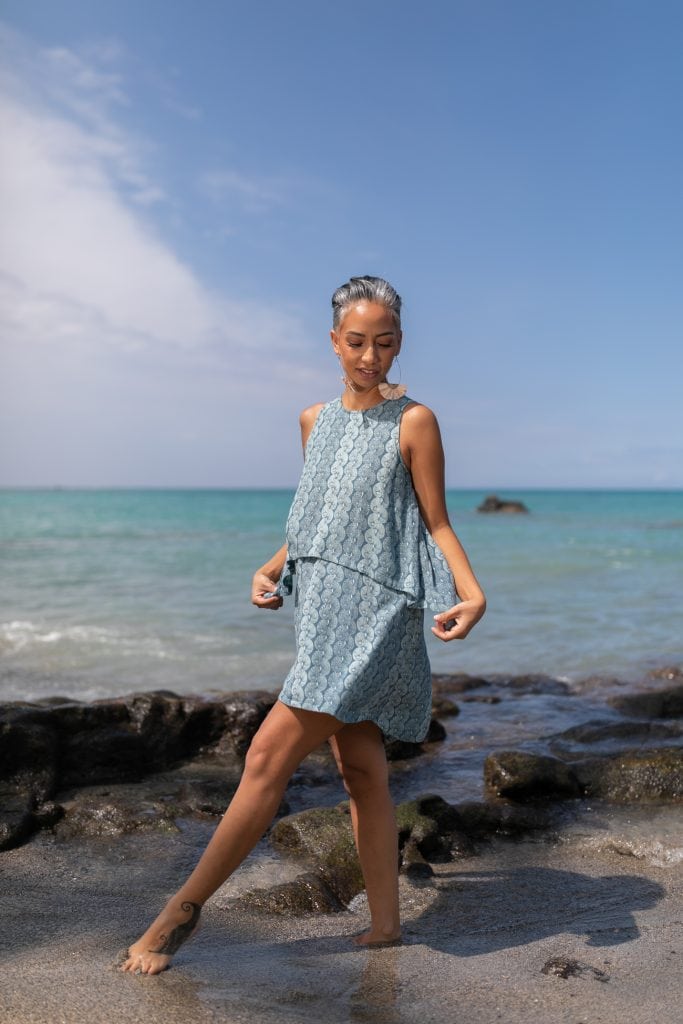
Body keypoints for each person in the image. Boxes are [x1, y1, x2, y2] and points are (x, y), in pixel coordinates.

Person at [121, 275, 486, 975]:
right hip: (319, 609)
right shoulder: (311, 421)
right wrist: (270, 566)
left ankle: (179, 913)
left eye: (383, 343)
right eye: (355, 342)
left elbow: (434, 520)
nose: (368, 356)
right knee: (359, 771)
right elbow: (317, 518)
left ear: (398, 344)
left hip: (374, 614)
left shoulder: (414, 422)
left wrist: (471, 593)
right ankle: (385, 926)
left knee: (264, 759)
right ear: (333, 342)